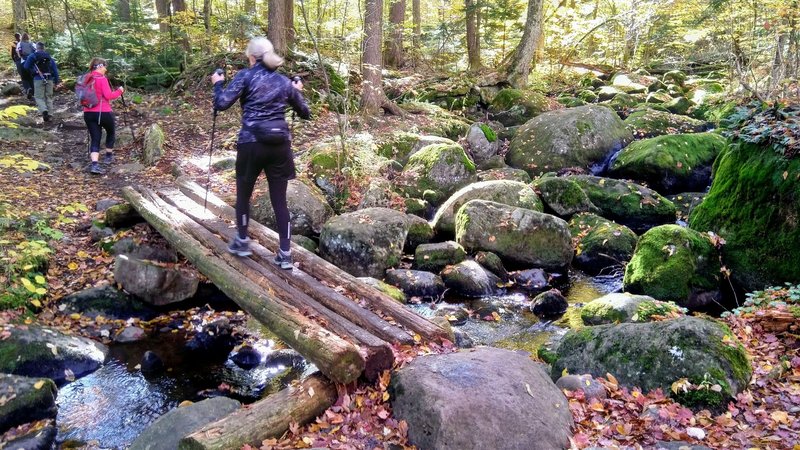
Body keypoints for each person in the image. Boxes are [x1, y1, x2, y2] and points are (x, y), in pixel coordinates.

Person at [211, 36, 310, 269]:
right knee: (279, 201)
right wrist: (297, 91)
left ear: (251, 57)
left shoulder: (245, 76)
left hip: (251, 144)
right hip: (279, 146)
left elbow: (222, 103)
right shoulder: (285, 82)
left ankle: (242, 242)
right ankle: (285, 254)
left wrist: (217, 83)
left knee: (244, 194)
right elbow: (304, 112)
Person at [82, 57, 124, 175]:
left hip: (88, 112)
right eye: (105, 66)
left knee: (95, 138)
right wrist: (120, 91)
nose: (106, 69)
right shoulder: (102, 79)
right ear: (100, 66)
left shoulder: (86, 78)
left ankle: (94, 165)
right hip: (103, 112)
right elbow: (109, 95)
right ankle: (108, 156)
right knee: (111, 132)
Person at [23, 42, 60, 123]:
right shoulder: (49, 56)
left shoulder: (33, 56)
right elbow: (55, 69)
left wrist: (33, 70)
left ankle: (44, 110)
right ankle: (50, 114)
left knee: (39, 97)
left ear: (36, 47)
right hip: (49, 78)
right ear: (44, 48)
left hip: (38, 78)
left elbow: (26, 66)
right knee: (49, 97)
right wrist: (57, 81)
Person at [16, 33, 35, 99]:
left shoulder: (19, 43)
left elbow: (18, 53)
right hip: (32, 63)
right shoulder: (32, 43)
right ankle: (33, 93)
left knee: (24, 78)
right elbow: (35, 51)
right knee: (31, 77)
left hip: (23, 62)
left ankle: (28, 89)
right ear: (28, 37)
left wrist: (21, 57)